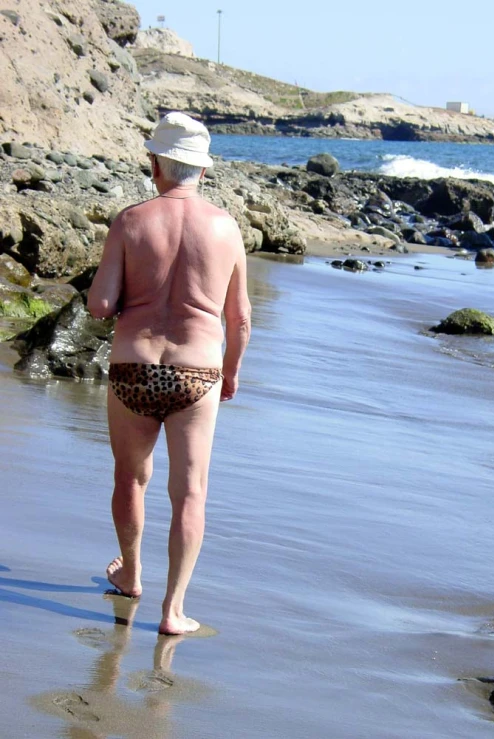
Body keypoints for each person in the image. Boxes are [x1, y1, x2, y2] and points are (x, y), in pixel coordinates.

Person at [87, 112, 251, 636]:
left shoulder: (131, 220)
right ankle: (172, 610)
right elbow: (240, 318)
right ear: (202, 171)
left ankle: (130, 574)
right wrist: (230, 372)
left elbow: (100, 304)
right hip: (196, 370)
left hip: (134, 367)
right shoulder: (226, 228)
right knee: (190, 492)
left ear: (154, 163)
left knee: (129, 478)